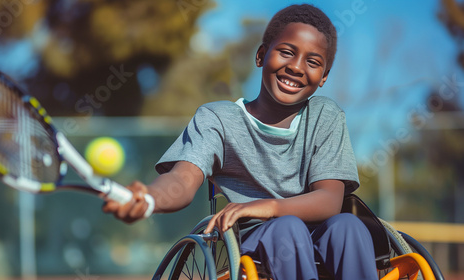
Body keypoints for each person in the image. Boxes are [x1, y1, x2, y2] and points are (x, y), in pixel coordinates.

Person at [103, 4, 377, 280]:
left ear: (323, 78)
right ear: (261, 55)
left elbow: (330, 200)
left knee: (348, 226)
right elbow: (182, 181)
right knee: (287, 228)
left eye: (313, 62)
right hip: (258, 241)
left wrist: (269, 206)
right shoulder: (218, 119)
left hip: (319, 233)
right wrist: (150, 198)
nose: (296, 67)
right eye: (286, 52)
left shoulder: (325, 116)